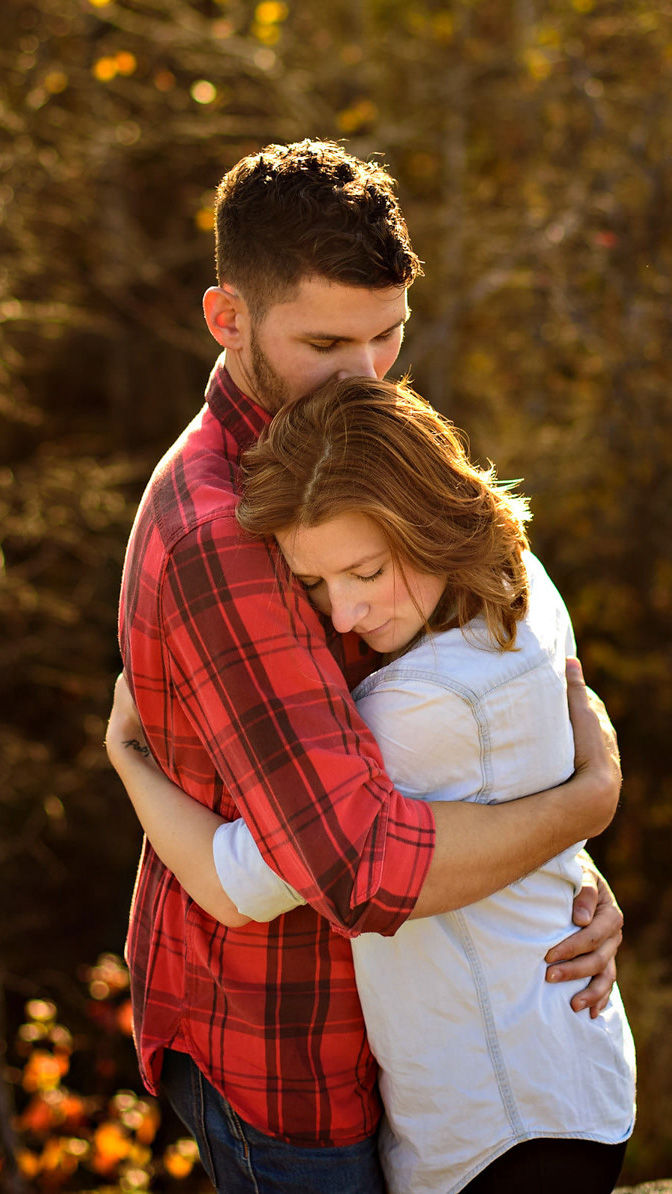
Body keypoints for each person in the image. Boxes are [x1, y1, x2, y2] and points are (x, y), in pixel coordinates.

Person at [115, 139, 624, 1194]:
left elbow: (488, 696)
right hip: (289, 1052)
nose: (366, 372)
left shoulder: (347, 438)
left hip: (423, 1028)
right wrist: (583, 804)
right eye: (327, 340)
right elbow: (359, 867)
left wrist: (562, 883)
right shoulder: (226, 536)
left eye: (388, 334)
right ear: (229, 318)